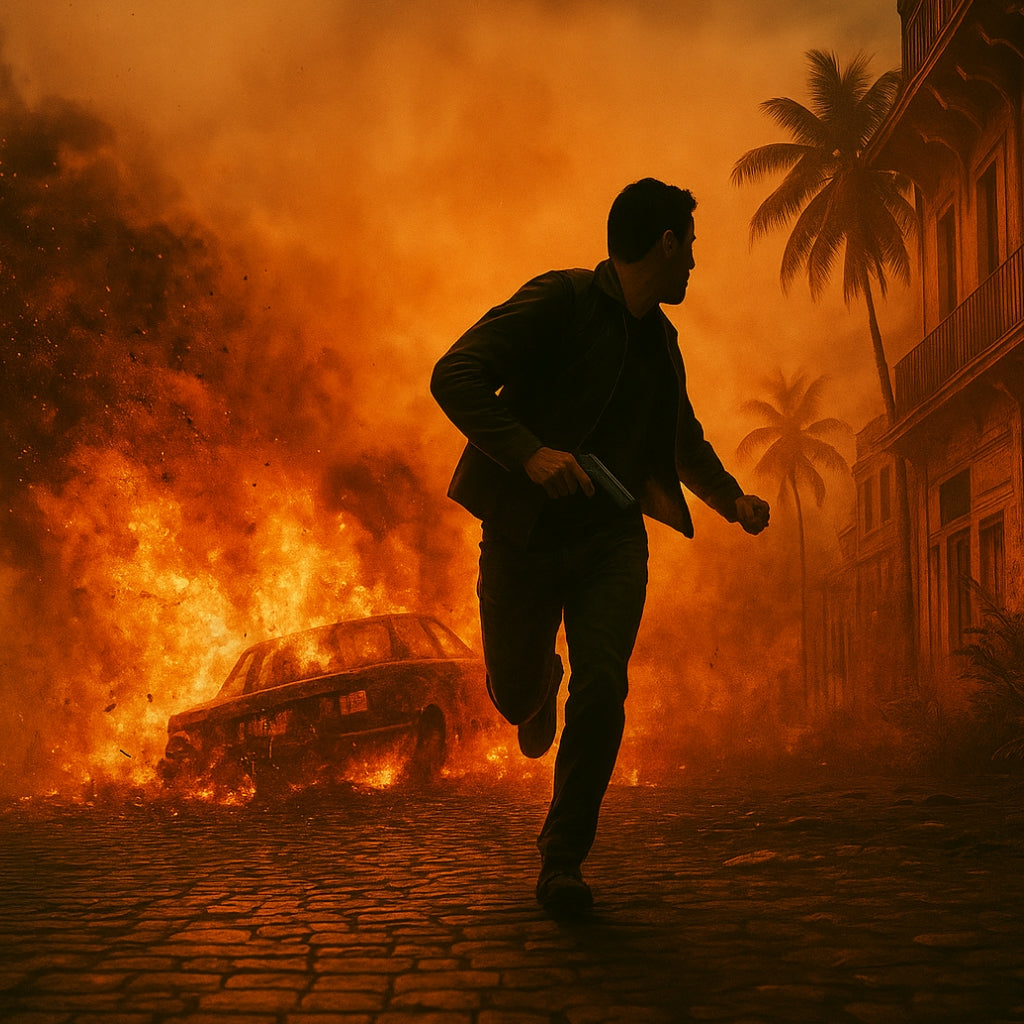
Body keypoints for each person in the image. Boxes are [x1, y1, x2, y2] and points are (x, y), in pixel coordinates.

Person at [430, 178, 770, 917]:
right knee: (514, 692)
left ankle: (562, 860)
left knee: (605, 685)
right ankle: (535, 684)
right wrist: (528, 454)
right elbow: (453, 375)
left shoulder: (662, 346)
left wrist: (732, 499)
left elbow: (682, 442)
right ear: (666, 243)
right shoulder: (559, 300)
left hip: (610, 542)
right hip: (521, 534)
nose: (693, 266)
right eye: (690, 248)